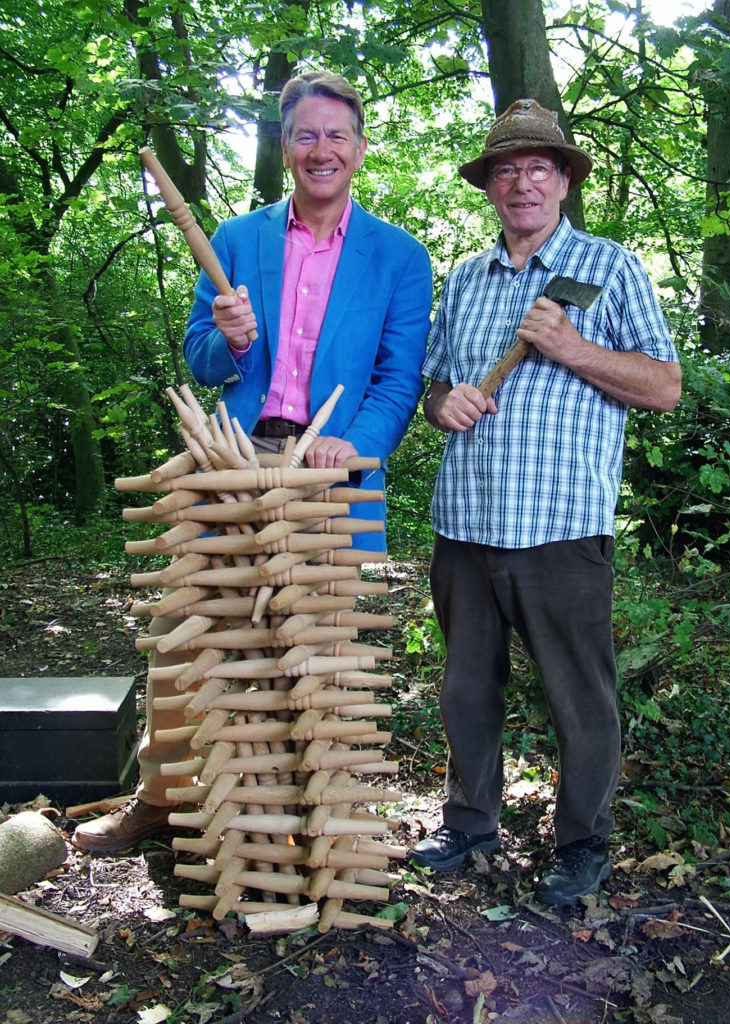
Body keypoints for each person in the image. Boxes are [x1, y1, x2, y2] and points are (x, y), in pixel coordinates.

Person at [73, 71, 433, 853]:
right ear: (284, 145)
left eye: (338, 134)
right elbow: (199, 359)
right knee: (181, 640)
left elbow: (399, 376)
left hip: (329, 469)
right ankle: (162, 799)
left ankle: (320, 823)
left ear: (362, 149)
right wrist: (232, 336)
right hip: (228, 456)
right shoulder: (237, 241)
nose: (322, 149)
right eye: (306, 134)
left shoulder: (401, 258)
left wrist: (359, 444)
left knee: (321, 653)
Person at [409, 98, 681, 906]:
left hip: (563, 529)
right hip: (466, 524)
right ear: (490, 186)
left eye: (537, 167)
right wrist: (442, 403)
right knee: (465, 690)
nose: (521, 182)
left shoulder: (610, 266)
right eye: (506, 169)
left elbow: (664, 386)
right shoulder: (465, 277)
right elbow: (430, 383)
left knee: (580, 699)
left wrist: (573, 347)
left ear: (562, 180)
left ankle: (583, 844)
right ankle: (468, 822)